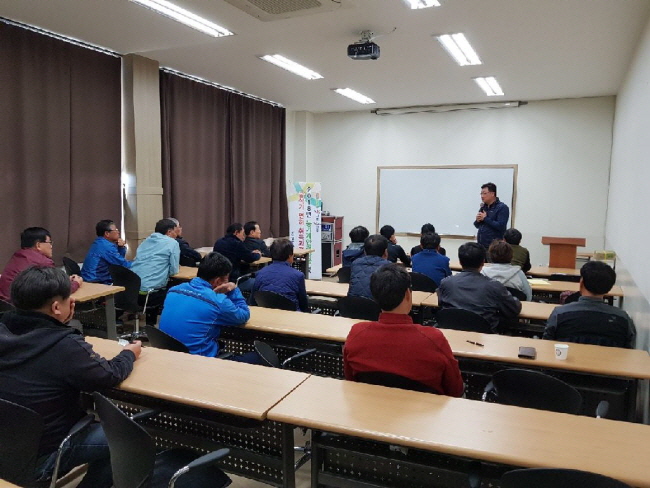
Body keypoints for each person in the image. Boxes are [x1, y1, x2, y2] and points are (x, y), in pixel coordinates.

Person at [0, 266, 141, 487]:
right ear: (57, 307)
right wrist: (129, 354)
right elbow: (110, 375)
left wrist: (59, 325)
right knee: (128, 440)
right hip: (41, 455)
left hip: (7, 446)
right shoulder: (64, 346)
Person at [343, 264, 464, 397]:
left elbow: (350, 381)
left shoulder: (357, 333)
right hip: (424, 409)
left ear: (374, 295)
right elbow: (455, 390)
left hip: (371, 407)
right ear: (407, 293)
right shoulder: (433, 339)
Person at [159, 252, 259, 362]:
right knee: (258, 358)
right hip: (198, 361)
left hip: (167, 356)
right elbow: (244, 315)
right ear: (218, 281)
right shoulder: (217, 301)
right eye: (227, 279)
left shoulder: (174, 290)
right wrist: (233, 289)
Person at [543, 261, 635, 348]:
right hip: (610, 360)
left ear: (581, 283)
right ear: (609, 288)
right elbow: (628, 348)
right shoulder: (623, 319)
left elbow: (547, 344)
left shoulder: (559, 314)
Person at [437, 242, 521, 332]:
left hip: (451, 333)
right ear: (483, 262)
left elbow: (441, 304)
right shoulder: (494, 286)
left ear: (460, 262)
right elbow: (514, 309)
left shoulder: (446, 283)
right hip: (484, 336)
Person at [0, 227, 82, 302]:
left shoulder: (18, 255)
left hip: (5, 306)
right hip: (22, 307)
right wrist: (76, 283)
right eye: (49, 242)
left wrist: (65, 281)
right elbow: (57, 291)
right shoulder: (43, 262)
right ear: (38, 245)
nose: (51, 246)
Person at [131, 219, 180, 320]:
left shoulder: (145, 241)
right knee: (175, 291)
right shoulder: (172, 243)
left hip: (131, 290)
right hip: (149, 294)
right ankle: (154, 323)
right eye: (175, 231)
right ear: (169, 232)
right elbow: (174, 271)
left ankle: (149, 323)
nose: (176, 234)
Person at [249, 238, 309, 312]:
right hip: (291, 316)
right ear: (290, 256)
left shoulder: (260, 273)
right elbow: (303, 304)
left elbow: (253, 301)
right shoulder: (298, 275)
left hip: (266, 314)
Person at [80, 220, 131, 284]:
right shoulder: (106, 246)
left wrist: (121, 247)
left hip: (90, 279)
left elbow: (117, 261)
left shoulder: (100, 242)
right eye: (115, 230)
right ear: (107, 233)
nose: (118, 232)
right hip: (95, 282)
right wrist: (139, 263)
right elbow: (122, 264)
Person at [348, 235, 390, 300]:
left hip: (353, 303)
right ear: (385, 252)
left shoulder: (355, 263)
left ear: (364, 251)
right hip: (378, 305)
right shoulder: (390, 266)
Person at [474, 182, 509, 249]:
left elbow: (501, 226)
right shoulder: (484, 207)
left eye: (484, 193)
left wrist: (485, 219)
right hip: (481, 246)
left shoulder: (502, 207)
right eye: (481, 193)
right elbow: (477, 226)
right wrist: (477, 221)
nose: (482, 196)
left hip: (494, 248)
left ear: (492, 194)